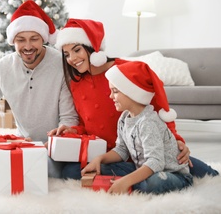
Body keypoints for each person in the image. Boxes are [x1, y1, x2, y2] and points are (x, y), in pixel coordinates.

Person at [49, 18, 219, 179]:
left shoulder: (125, 71)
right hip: (111, 154)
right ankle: (144, 173)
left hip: (146, 148)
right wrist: (73, 131)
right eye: (67, 54)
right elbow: (85, 125)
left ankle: (156, 171)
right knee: (70, 172)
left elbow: (160, 109)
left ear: (93, 47)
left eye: (77, 50)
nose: (72, 59)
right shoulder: (76, 84)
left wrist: (176, 140)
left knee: (204, 174)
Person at [0, 0, 78, 177]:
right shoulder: (4, 67)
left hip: (54, 147)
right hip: (22, 144)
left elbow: (69, 119)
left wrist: (53, 144)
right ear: (13, 41)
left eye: (34, 39)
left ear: (43, 38)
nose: (28, 46)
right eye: (21, 40)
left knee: (47, 171)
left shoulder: (61, 64)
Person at [81, 61, 194, 194]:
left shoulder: (147, 122)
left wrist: (126, 181)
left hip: (171, 174)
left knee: (155, 182)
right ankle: (133, 182)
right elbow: (122, 150)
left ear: (132, 93)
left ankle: (129, 183)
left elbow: (156, 163)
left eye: (115, 91)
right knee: (104, 167)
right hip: (143, 168)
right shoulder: (124, 118)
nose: (111, 96)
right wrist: (99, 159)